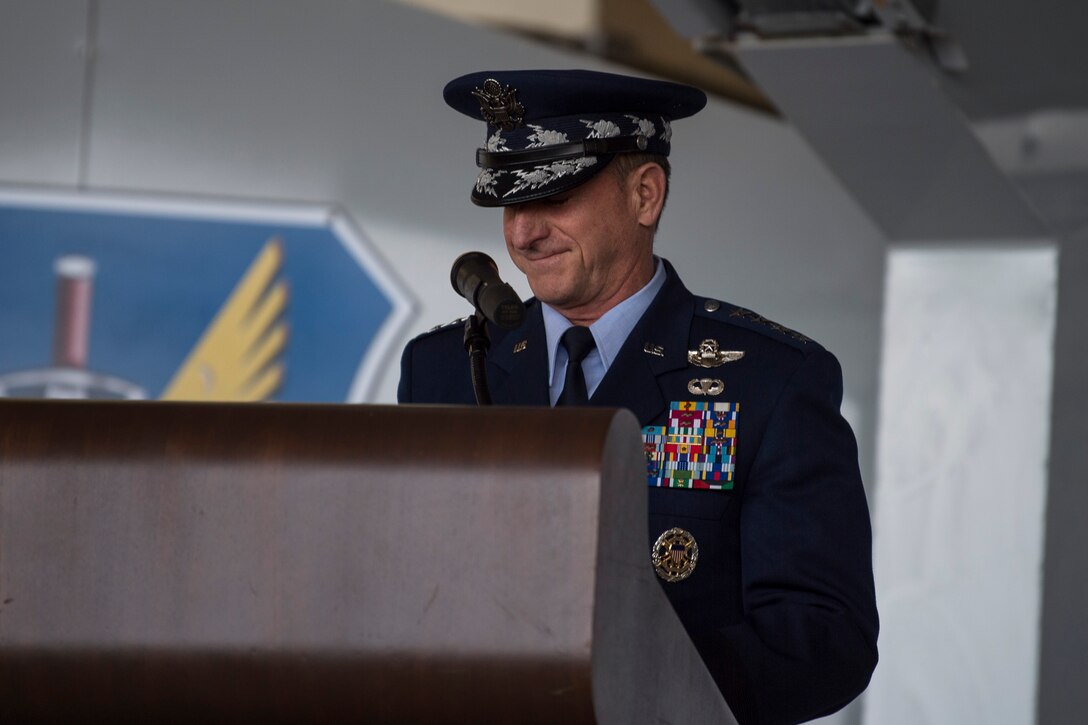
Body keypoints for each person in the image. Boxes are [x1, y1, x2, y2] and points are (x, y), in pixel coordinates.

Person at [398, 69, 878, 725]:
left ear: (645, 195)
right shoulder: (445, 370)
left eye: (553, 199)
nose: (523, 235)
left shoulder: (772, 381)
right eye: (510, 205)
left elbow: (825, 638)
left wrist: (635, 675)